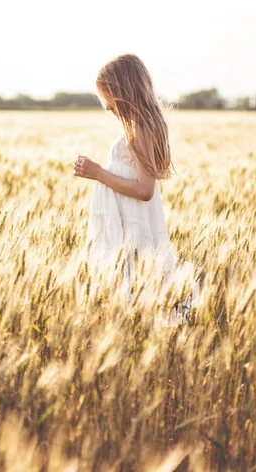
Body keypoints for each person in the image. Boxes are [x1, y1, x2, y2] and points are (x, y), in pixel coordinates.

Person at [73, 53, 205, 326]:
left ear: (125, 92)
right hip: (123, 222)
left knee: (138, 287)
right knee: (129, 286)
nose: (107, 107)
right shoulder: (139, 127)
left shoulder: (142, 129)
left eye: (109, 97)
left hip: (132, 224)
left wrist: (98, 173)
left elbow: (145, 189)